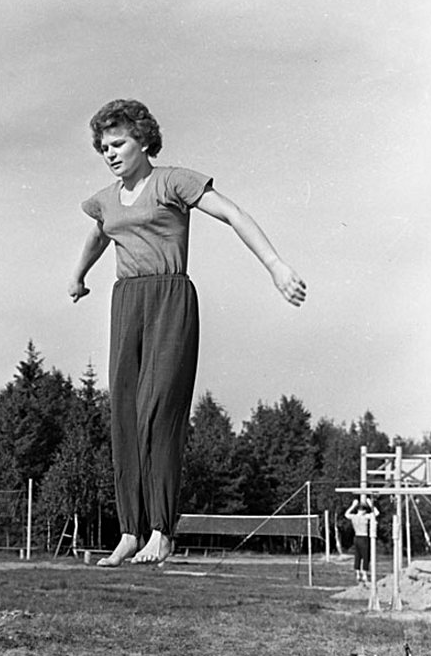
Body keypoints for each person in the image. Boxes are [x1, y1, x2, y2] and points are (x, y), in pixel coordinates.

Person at [68, 99, 306, 568]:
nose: (110, 154)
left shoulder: (173, 181)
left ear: (143, 139)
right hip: (125, 301)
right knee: (124, 415)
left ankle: (161, 530)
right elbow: (100, 232)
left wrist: (276, 266)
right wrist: (78, 276)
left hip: (169, 298)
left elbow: (233, 213)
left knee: (158, 411)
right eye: (103, 148)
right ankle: (130, 532)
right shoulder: (105, 198)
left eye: (119, 144)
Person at [344, 495, 379, 585]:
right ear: (364, 511)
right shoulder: (365, 517)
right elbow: (376, 513)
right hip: (364, 537)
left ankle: (357, 574)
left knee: (358, 556)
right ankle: (364, 575)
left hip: (356, 537)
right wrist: (370, 504)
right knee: (366, 556)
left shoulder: (354, 517)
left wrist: (353, 505)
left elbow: (346, 514)